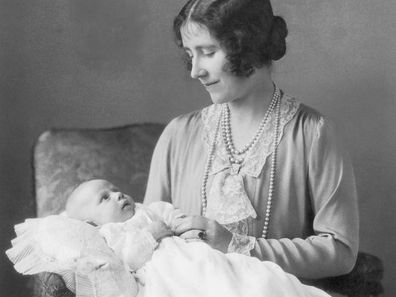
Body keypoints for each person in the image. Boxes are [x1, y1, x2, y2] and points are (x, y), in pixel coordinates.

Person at [144, 0, 359, 280]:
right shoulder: (177, 134)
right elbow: (144, 232)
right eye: (190, 54)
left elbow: (341, 251)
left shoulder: (314, 134)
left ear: (248, 47)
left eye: (208, 52)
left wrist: (240, 246)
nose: (195, 70)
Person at [7, 178, 331, 297]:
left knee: (247, 279)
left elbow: (174, 216)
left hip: (197, 255)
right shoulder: (110, 235)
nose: (118, 195)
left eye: (115, 190)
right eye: (104, 198)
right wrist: (153, 234)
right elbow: (131, 259)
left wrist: (182, 224)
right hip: (165, 272)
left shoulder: (151, 208)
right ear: (91, 222)